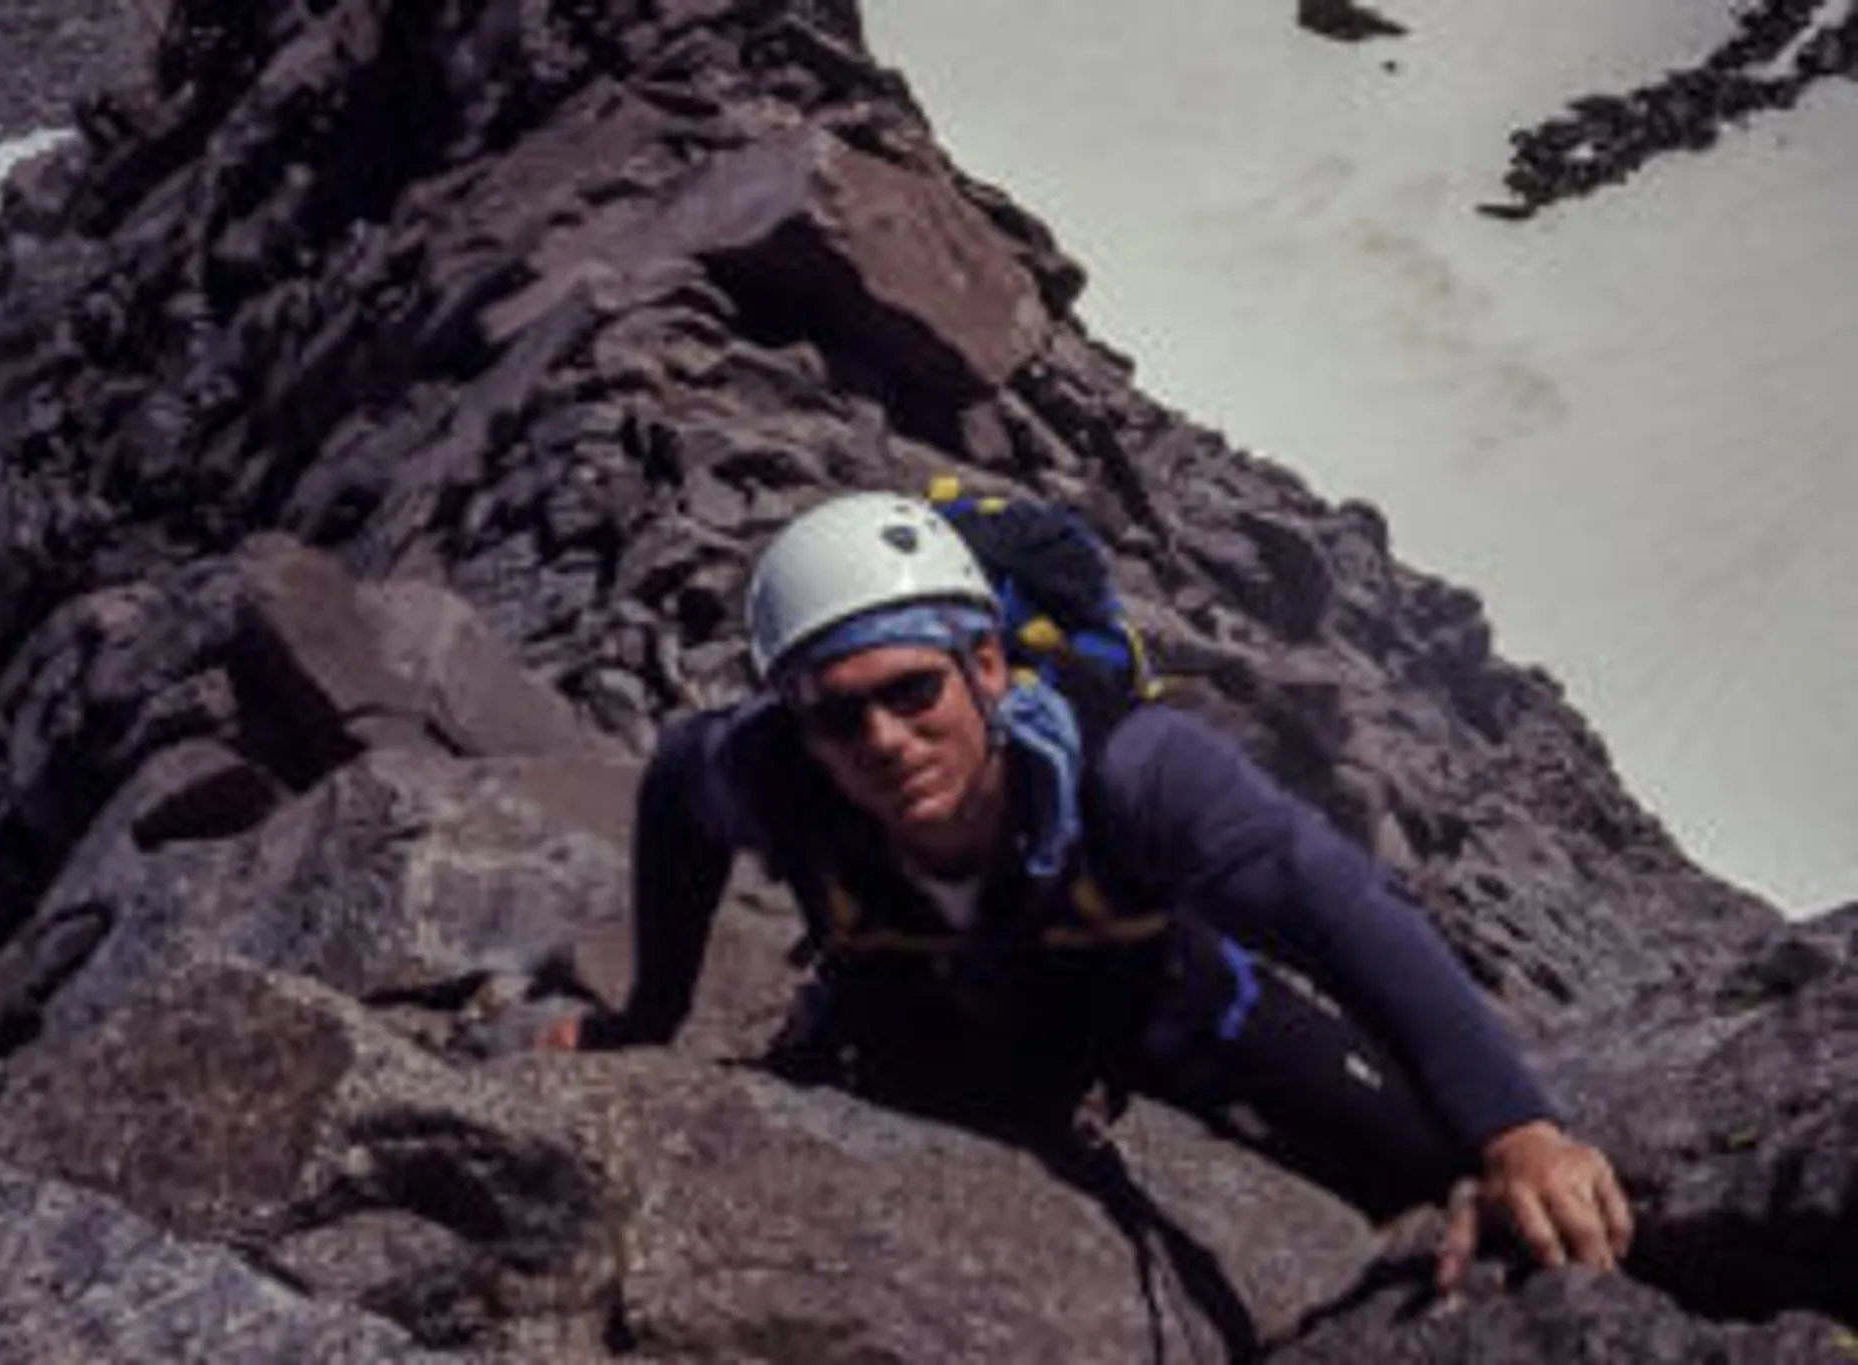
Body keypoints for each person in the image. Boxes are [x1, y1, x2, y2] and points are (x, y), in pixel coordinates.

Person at [544, 491, 1632, 1291]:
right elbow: (672, 793)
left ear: (986, 667)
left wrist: (1513, 1134)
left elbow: (1339, 909)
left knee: (1435, 1179)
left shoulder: (1140, 772)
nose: (881, 738)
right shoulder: (763, 768)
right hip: (915, 1010)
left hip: (1158, 995)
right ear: (798, 722)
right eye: (837, 716)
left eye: (911, 691)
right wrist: (650, 1019)